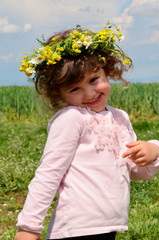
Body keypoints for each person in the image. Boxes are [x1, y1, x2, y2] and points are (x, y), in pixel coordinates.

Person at [15, 23, 159, 240]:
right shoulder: (72, 118)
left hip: (109, 225)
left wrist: (153, 151)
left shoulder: (120, 118)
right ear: (59, 95)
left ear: (107, 71)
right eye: (75, 89)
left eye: (94, 80)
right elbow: (49, 173)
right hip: (75, 228)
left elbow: (132, 170)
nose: (90, 93)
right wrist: (29, 227)